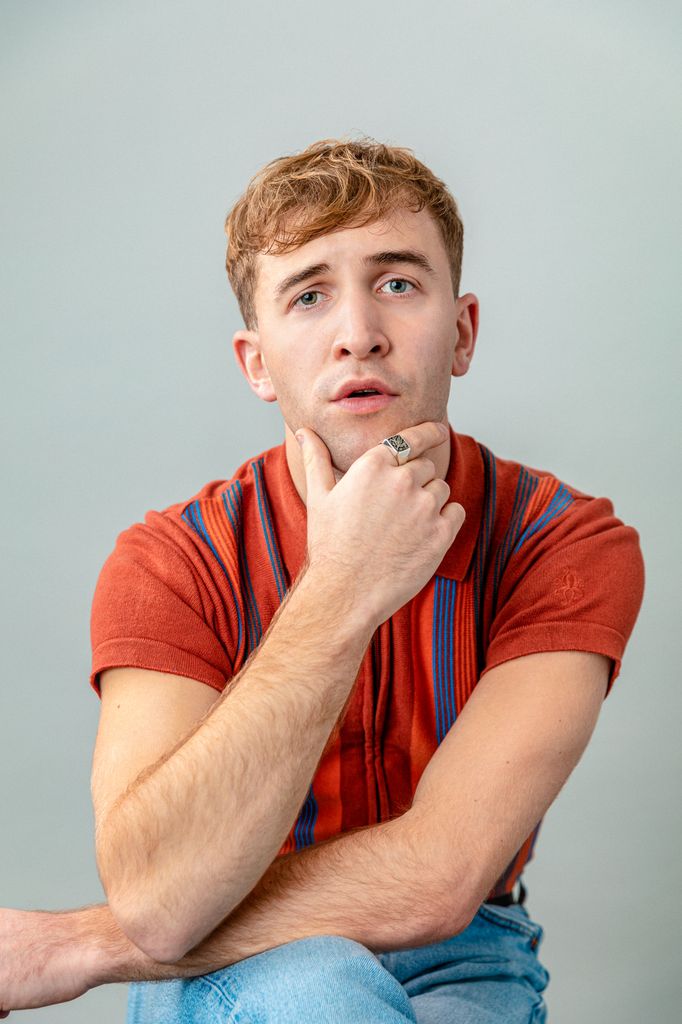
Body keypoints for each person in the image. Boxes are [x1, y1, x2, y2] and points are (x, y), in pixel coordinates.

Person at [0, 136, 645, 1022]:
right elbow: (160, 898)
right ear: (257, 363)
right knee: (319, 992)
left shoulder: (563, 543)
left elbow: (439, 878)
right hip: (225, 958)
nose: (359, 335)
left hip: (466, 951)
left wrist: (79, 945)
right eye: (309, 296)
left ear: (461, 334)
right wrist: (341, 587)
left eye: (398, 283)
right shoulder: (171, 562)